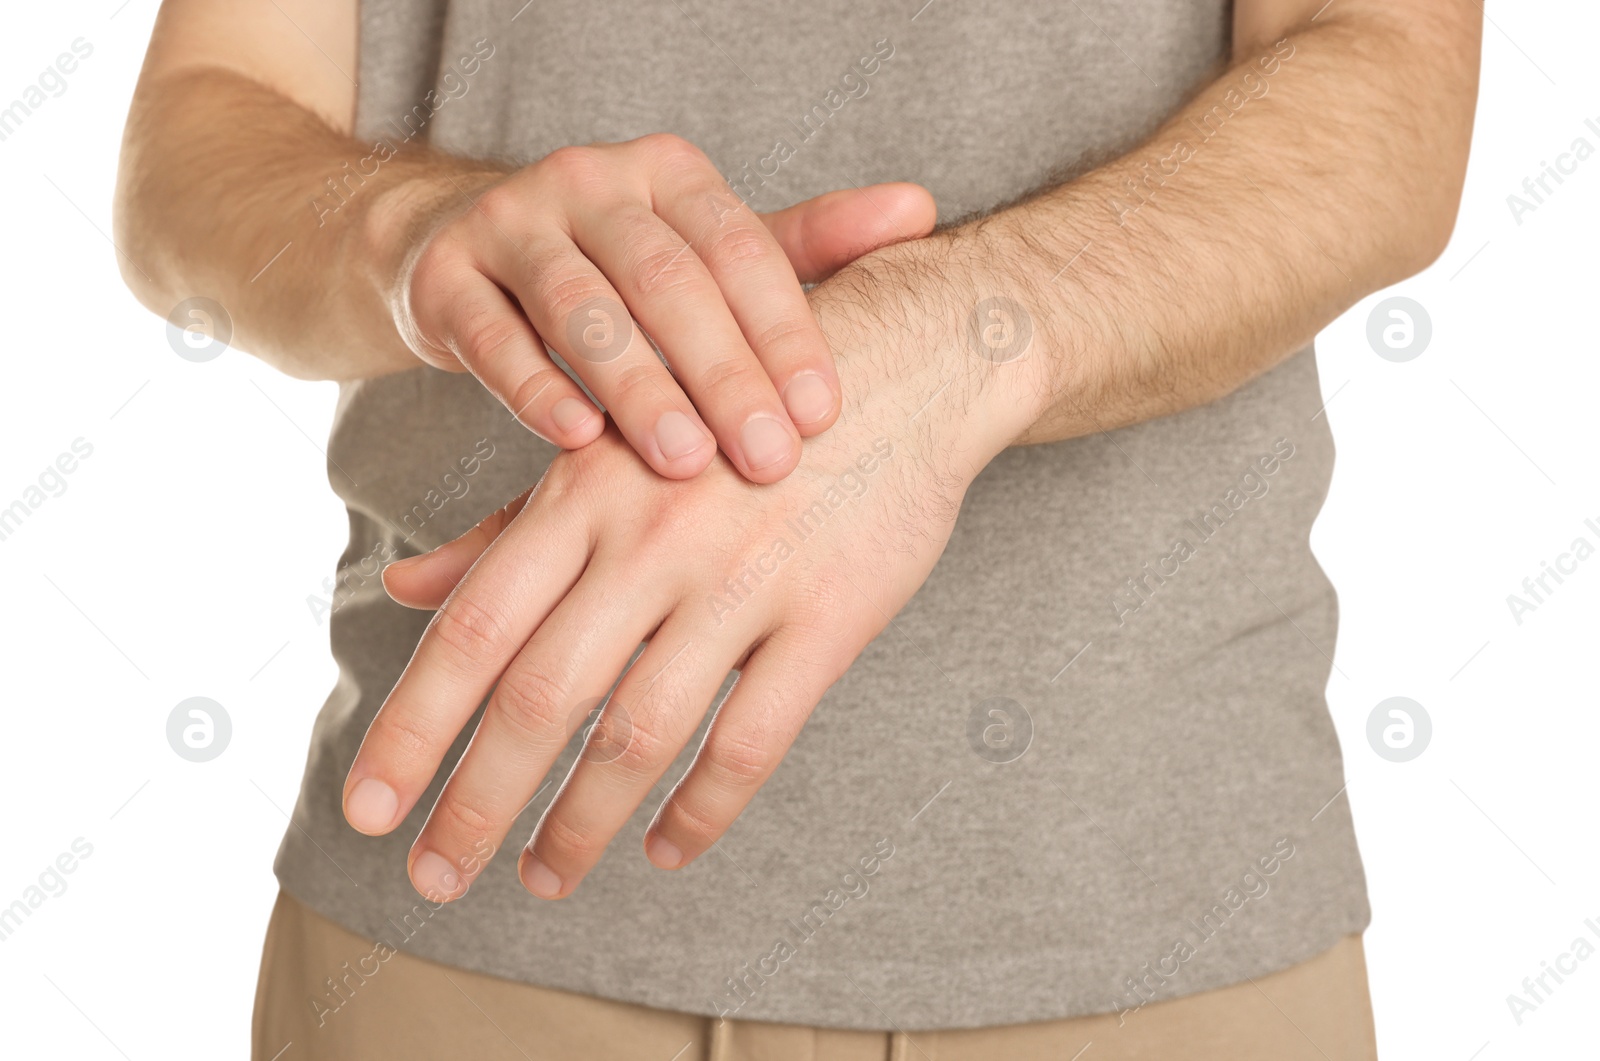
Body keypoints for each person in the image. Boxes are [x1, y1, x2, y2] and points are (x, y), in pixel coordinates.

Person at [115, 0, 1481, 1057]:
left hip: (1151, 938)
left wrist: (943, 351)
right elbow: (201, 132)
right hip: (453, 926)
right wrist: (420, 234)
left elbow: (1388, 84)